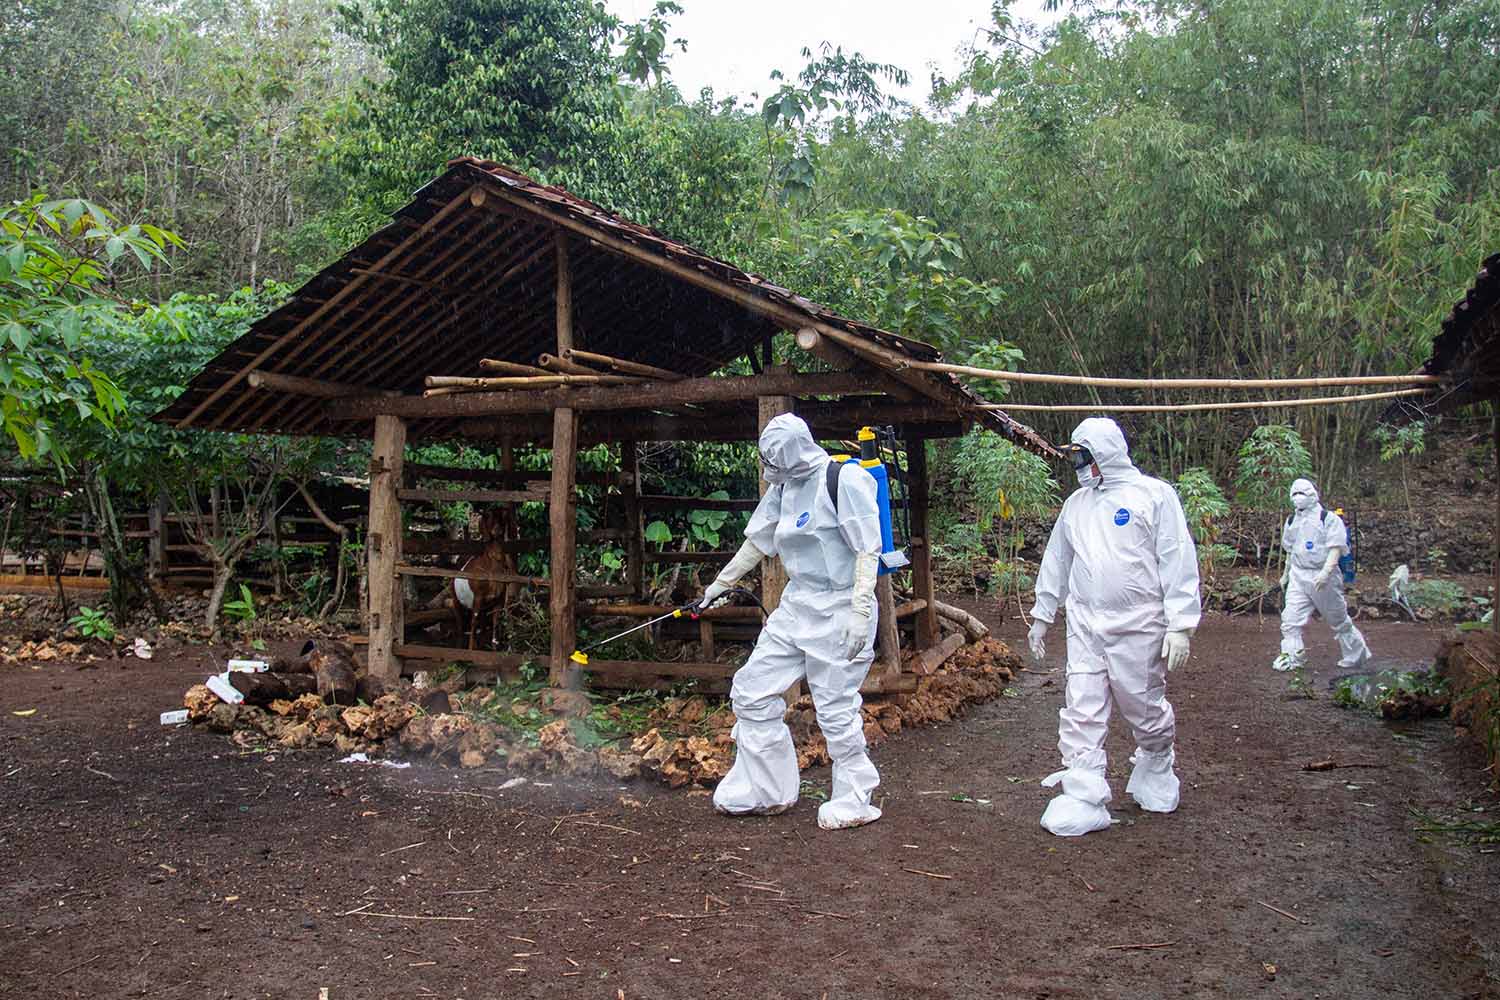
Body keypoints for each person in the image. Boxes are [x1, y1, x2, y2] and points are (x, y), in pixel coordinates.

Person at [696, 413, 884, 830]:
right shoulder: (784, 488)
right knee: (751, 690)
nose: (770, 471)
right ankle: (766, 788)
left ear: (791, 454)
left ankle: (855, 796)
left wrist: (859, 611)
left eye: (774, 462)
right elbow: (757, 541)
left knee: (835, 708)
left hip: (839, 607)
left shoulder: (843, 481)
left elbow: (868, 549)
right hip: (798, 604)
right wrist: (719, 584)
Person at [1027, 417, 1201, 837]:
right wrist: (1041, 613)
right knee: (1081, 702)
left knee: (1142, 704)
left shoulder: (1154, 496)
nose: (1080, 466)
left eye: (1085, 456)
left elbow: (1177, 559)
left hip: (1139, 623)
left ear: (1105, 453)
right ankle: (1083, 791)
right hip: (1085, 622)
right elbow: (1057, 561)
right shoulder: (1077, 505)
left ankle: (1156, 762)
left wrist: (1181, 625)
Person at [1273, 478, 1371, 673]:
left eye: (1301, 494)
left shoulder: (1328, 519)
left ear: (1312, 495)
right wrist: (1286, 574)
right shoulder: (1292, 521)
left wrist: (1326, 572)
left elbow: (1336, 547)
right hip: (1299, 575)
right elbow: (1290, 551)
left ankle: (1356, 654)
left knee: (1338, 618)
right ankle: (1292, 657)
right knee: (1290, 619)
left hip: (1322, 576)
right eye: (1294, 494)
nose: (1297, 498)